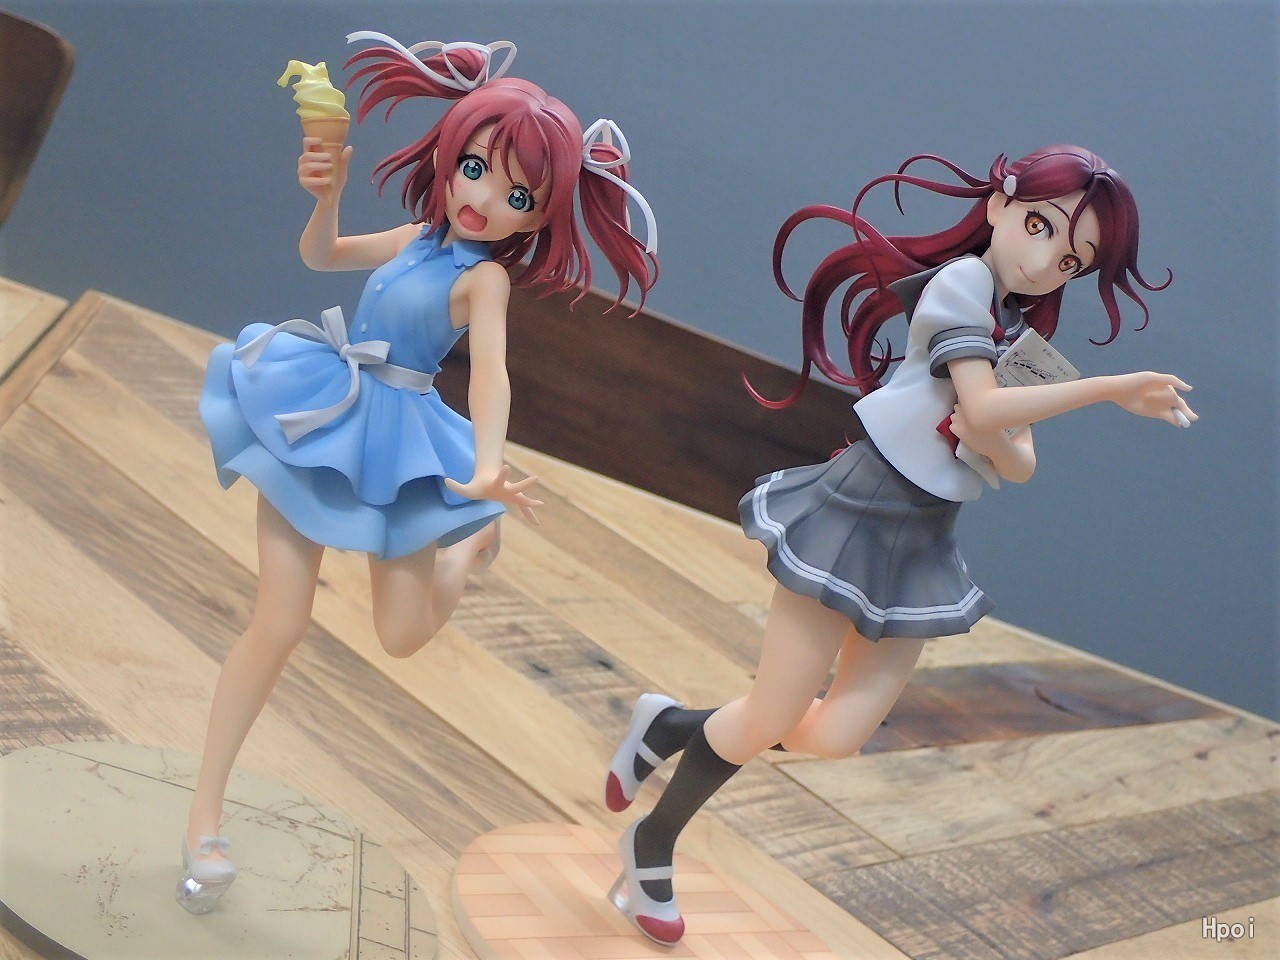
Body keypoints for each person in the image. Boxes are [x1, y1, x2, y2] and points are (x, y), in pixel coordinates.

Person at [602, 145, 1193, 945]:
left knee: (833, 736)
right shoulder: (962, 286)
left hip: (923, 541)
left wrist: (1000, 430)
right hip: (859, 509)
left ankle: (668, 727)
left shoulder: (1017, 332)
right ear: (1000, 205)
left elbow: (1017, 463)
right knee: (770, 713)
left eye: (1072, 260)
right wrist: (1108, 390)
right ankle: (651, 844)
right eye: (1042, 227)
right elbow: (987, 416)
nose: (1048, 261)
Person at [178, 33, 657, 913]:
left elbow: (494, 376)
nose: (483, 200)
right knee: (277, 622)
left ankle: (464, 548)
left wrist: (487, 468)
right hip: (322, 413)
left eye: (518, 196)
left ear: (537, 218)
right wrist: (324, 197)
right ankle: (203, 818)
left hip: (400, 446)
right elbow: (322, 256)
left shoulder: (485, 282)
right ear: (449, 153)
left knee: (401, 635)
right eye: (475, 169)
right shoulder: (414, 236)